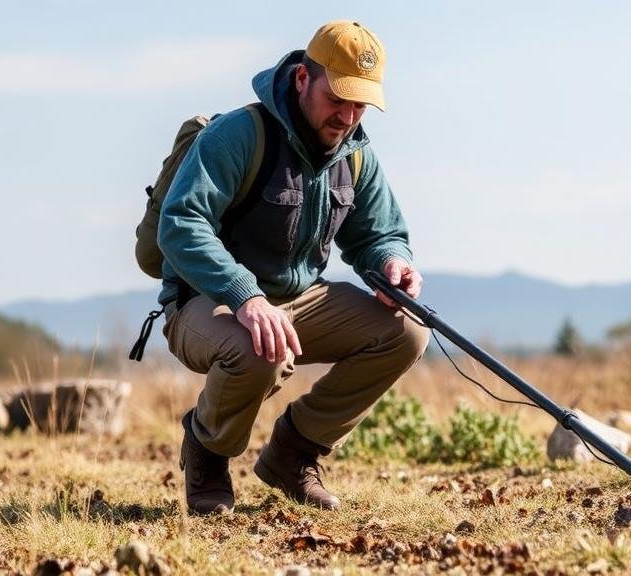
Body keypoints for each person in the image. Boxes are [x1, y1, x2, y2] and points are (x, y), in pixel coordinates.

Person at [156, 20, 429, 515]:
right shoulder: (238, 135)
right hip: (204, 302)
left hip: (296, 300)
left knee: (408, 329)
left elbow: (380, 235)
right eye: (337, 98)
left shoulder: (355, 151)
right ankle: (207, 453)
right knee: (259, 347)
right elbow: (179, 225)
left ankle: (293, 454)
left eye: (360, 103)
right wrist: (245, 296)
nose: (347, 116)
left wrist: (394, 264)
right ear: (303, 79)